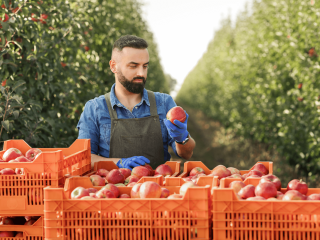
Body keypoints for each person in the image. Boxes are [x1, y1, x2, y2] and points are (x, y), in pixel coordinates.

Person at [77, 35, 196, 169]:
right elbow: (84, 158)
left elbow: (186, 154)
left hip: (158, 187)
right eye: (133, 66)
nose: (141, 73)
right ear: (113, 66)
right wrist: (118, 163)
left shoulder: (164, 102)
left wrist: (183, 139)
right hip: (111, 188)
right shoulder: (94, 108)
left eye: (145, 66)